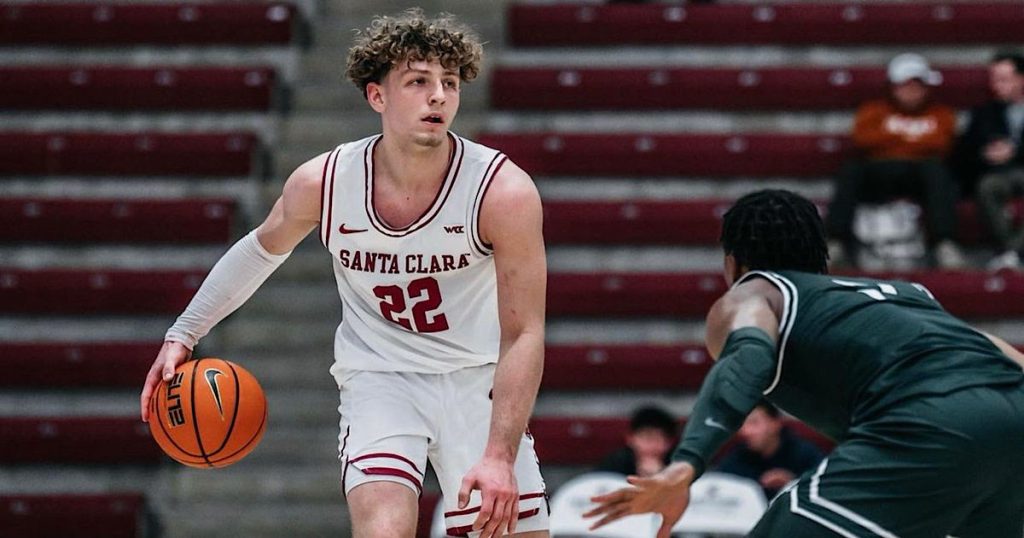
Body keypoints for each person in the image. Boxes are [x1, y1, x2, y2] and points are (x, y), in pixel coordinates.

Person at [139, 10, 550, 538]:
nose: (439, 96)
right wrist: (184, 332)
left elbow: (525, 332)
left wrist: (499, 455)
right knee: (383, 529)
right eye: (419, 81)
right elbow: (259, 251)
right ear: (377, 96)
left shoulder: (502, 192)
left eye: (449, 83)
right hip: (380, 378)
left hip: (477, 380)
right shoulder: (324, 182)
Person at [585, 189, 1024, 537]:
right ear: (822, 255)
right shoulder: (908, 295)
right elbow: (1006, 358)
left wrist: (686, 465)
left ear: (733, 262)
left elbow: (750, 357)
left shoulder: (757, 291)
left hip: (926, 420)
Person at [826, 53, 966, 269]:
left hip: (920, 173)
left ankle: (944, 243)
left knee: (938, 172)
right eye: (906, 85)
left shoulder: (942, 113)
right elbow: (862, 140)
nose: (911, 92)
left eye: (917, 85)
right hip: (879, 171)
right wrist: (914, 141)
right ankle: (835, 242)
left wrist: (891, 140)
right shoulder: (873, 110)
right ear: (893, 86)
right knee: (851, 170)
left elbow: (943, 144)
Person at [953, 52, 1024, 271]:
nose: (996, 86)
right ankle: (1012, 250)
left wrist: (1015, 152)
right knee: (987, 186)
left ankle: (1014, 251)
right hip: (999, 175)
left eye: (1003, 79)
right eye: (993, 79)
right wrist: (986, 154)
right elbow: (963, 153)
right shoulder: (985, 112)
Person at [715, 400, 823, 499]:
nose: (745, 431)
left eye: (753, 423)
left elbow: (824, 486)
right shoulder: (737, 455)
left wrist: (793, 483)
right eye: (741, 424)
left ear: (775, 423)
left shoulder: (805, 453)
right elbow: (720, 486)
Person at [595, 406, 678, 478]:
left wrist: (662, 475)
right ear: (630, 439)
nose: (652, 446)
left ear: (669, 443)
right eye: (647, 438)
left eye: (658, 439)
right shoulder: (615, 463)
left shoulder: (678, 463)